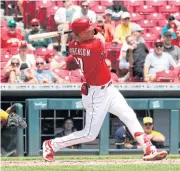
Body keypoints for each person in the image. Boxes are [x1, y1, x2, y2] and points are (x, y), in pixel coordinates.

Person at [42, 17, 167, 162]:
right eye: (88, 30)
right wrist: (98, 30)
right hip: (96, 94)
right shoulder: (93, 46)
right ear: (81, 34)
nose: (92, 30)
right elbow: (100, 38)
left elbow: (90, 36)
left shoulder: (73, 44)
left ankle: (148, 148)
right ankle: (52, 145)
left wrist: (91, 29)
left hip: (109, 89)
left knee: (129, 115)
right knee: (90, 134)